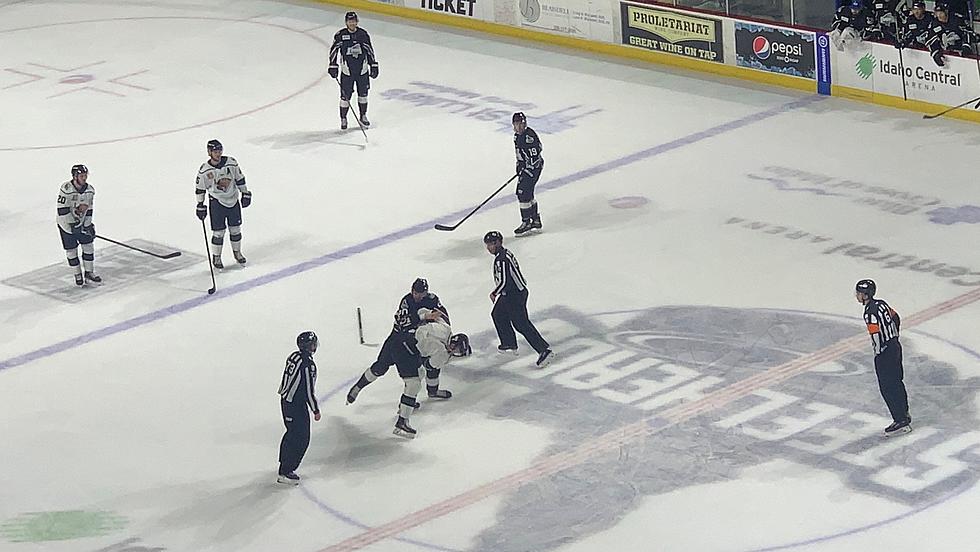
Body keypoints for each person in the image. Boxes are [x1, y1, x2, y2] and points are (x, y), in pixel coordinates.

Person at [346, 278, 446, 438]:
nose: (418, 296)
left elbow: (441, 314)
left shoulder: (432, 299)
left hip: (410, 343)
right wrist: (425, 316)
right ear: (412, 290)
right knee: (388, 370)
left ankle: (405, 406)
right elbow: (403, 321)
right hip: (401, 343)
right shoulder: (406, 302)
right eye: (416, 292)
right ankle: (359, 389)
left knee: (416, 374)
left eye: (421, 293)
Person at [484, 231, 553, 367]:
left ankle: (544, 350)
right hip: (510, 294)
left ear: (498, 243)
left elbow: (505, 281)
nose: (488, 248)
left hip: (514, 295)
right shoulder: (504, 254)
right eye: (487, 245)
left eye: (491, 244)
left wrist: (494, 293)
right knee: (498, 314)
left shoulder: (502, 259)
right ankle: (509, 343)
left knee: (521, 324)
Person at [855, 279, 911, 437]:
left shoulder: (869, 312)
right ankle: (904, 414)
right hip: (895, 346)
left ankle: (899, 420)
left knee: (887, 387)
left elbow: (875, 333)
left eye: (859, 293)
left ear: (865, 295)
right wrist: (894, 336)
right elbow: (896, 317)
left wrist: (879, 351)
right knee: (897, 381)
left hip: (885, 352)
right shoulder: (881, 304)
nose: (857, 296)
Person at [195, 139, 251, 269]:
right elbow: (200, 188)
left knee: (235, 230)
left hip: (233, 200)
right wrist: (200, 204)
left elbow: (239, 178)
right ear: (209, 152)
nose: (218, 153)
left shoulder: (231, 163)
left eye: (219, 150)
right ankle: (217, 257)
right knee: (218, 233)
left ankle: (237, 253)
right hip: (217, 203)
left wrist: (245, 193)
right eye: (215, 151)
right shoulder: (204, 171)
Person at [277, 331, 321, 485]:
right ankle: (286, 471)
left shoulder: (293, 356)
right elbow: (308, 390)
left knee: (291, 434)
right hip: (296, 405)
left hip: (285, 402)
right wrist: (315, 409)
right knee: (302, 438)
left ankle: (284, 464)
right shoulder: (308, 365)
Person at [328, 11, 379, 129]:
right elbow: (334, 50)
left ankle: (363, 116)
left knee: (363, 94)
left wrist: (373, 64)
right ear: (346, 22)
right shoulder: (340, 35)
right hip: (347, 71)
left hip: (362, 70)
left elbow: (369, 50)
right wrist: (333, 65)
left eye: (354, 21)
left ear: (357, 22)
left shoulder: (363, 34)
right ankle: (343, 118)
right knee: (345, 96)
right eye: (350, 21)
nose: (352, 23)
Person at [415, 306, 472, 400]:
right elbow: (422, 330)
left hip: (421, 345)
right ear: (453, 341)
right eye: (455, 348)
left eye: (458, 351)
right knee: (414, 379)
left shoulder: (444, 350)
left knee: (434, 368)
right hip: (413, 341)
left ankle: (432, 392)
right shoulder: (442, 332)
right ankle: (408, 402)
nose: (453, 351)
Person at [56, 164, 100, 286]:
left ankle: (89, 272)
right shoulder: (66, 189)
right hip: (66, 225)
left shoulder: (90, 190)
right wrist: (72, 226)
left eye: (85, 175)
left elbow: (89, 209)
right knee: (71, 251)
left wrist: (87, 225)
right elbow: (62, 211)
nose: (84, 178)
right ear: (75, 176)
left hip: (81, 223)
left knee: (88, 246)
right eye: (82, 176)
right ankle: (77, 274)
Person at [512, 112, 544, 235]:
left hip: (533, 169)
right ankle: (535, 219)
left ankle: (526, 221)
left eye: (521, 124)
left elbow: (536, 154)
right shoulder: (517, 136)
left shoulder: (529, 137)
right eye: (516, 124)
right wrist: (519, 165)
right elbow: (520, 154)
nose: (519, 126)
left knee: (522, 192)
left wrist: (527, 169)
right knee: (528, 193)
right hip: (527, 168)